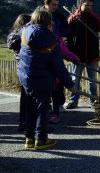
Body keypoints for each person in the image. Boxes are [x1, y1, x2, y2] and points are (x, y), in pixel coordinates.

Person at [17, 8, 76, 150]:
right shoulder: (51, 41)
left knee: (31, 109)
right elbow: (59, 68)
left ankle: (29, 139)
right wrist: (71, 85)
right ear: (48, 22)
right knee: (42, 110)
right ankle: (41, 139)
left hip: (26, 78)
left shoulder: (25, 33)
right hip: (43, 80)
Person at [65, 0, 100, 109]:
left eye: (91, 6)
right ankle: (73, 100)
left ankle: (94, 101)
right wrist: (71, 53)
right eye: (87, 5)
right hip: (77, 55)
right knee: (75, 79)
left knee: (92, 80)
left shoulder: (94, 17)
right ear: (81, 4)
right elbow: (66, 36)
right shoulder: (73, 18)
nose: (89, 8)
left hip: (92, 54)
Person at [43, 0, 80, 123]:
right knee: (45, 88)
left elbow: (65, 33)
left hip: (56, 53)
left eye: (57, 5)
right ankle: (44, 112)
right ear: (46, 4)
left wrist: (72, 23)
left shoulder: (59, 16)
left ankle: (56, 110)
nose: (55, 7)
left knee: (57, 84)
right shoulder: (39, 17)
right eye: (53, 5)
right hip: (42, 60)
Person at [7, 13, 31, 131]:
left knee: (24, 95)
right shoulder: (24, 35)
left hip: (19, 67)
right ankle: (29, 123)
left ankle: (22, 121)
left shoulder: (13, 36)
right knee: (30, 96)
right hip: (27, 66)